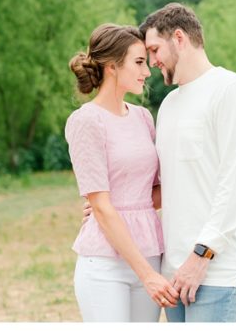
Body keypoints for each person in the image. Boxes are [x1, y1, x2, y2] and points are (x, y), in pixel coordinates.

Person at [141, 3, 236, 322]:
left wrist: (201, 255)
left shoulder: (229, 91)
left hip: (219, 272)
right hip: (175, 275)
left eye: (155, 50)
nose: (152, 62)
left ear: (179, 38)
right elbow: (170, 183)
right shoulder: (168, 105)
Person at [64, 23, 179, 322]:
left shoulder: (142, 117)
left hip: (151, 252)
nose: (147, 71)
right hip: (105, 263)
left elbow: (152, 192)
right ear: (112, 66)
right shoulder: (86, 121)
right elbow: (101, 206)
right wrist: (148, 276)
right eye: (139, 62)